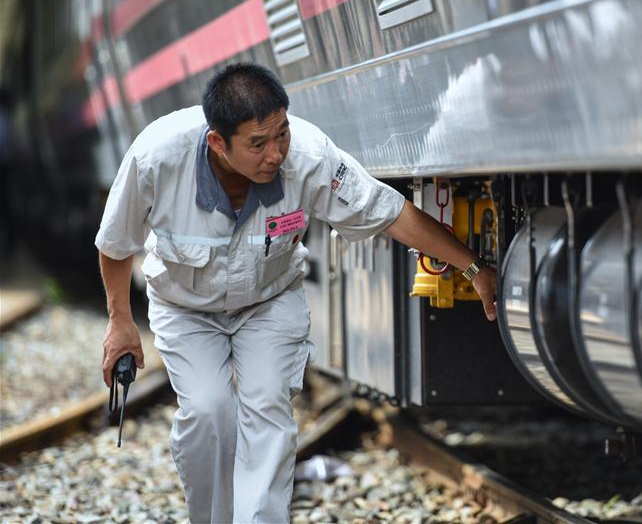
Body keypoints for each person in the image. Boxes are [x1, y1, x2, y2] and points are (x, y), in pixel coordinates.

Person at [95, 63, 497, 523]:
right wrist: (120, 322)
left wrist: (472, 266)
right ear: (218, 144)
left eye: (281, 133)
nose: (276, 154)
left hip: (269, 301)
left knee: (267, 407)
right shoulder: (156, 158)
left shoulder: (310, 155)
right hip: (185, 310)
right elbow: (115, 244)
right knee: (209, 411)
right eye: (258, 144)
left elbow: (389, 212)